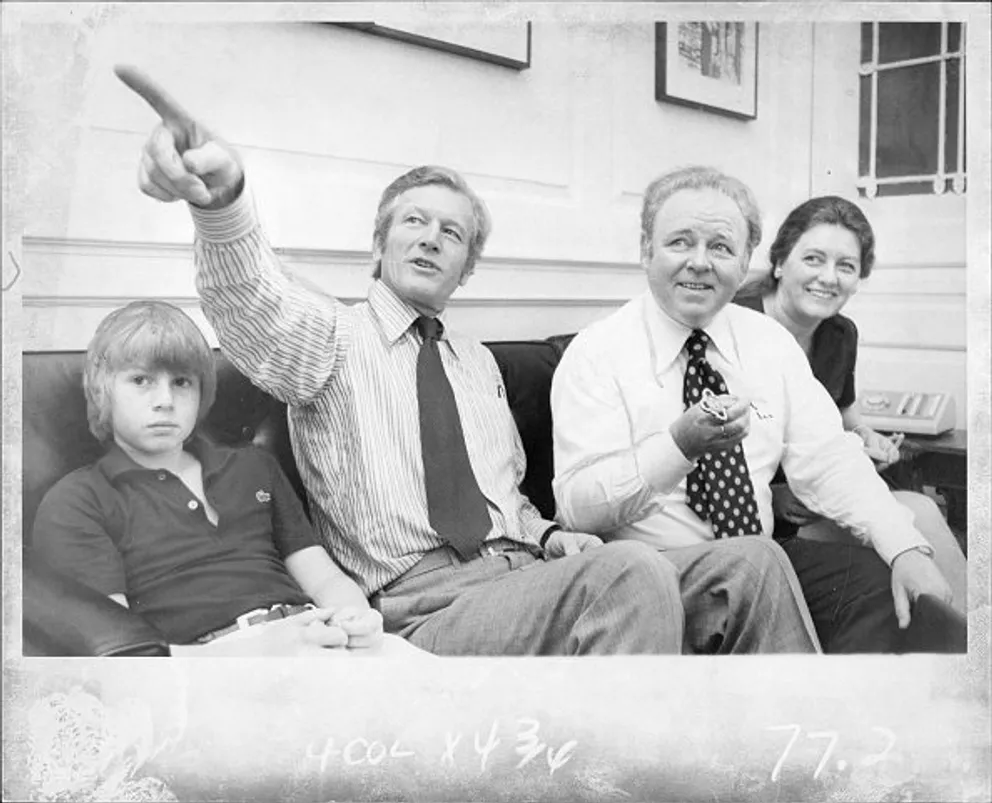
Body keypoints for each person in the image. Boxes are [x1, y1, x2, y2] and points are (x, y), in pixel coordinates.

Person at [113, 65, 821, 656]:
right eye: (413, 222)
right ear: (378, 247)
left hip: (521, 573)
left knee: (753, 561)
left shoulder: (476, 363)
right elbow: (251, 308)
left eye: (452, 233)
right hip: (418, 606)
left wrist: (552, 534)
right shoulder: (330, 336)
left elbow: (507, 499)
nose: (430, 239)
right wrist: (223, 205)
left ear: (466, 269)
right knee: (628, 571)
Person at [551, 165, 954, 654]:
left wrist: (905, 548)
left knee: (885, 588)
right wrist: (677, 447)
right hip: (653, 576)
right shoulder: (597, 353)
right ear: (645, 251)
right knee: (756, 563)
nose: (700, 262)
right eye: (680, 242)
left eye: (721, 247)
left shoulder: (769, 344)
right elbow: (577, 507)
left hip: (766, 558)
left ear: (745, 263)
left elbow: (829, 459)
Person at [30, 299, 400, 657]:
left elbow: (323, 579)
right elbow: (128, 658)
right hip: (209, 670)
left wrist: (357, 618)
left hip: (314, 639)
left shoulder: (253, 467)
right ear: (102, 390)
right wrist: (258, 651)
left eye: (181, 382)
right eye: (141, 380)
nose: (165, 400)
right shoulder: (77, 500)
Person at [733, 195, 967, 612]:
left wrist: (869, 439)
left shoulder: (840, 334)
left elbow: (846, 421)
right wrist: (777, 494)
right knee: (914, 522)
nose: (829, 277)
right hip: (755, 516)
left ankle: (969, 638)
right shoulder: (737, 323)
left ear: (859, 277)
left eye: (846, 266)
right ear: (780, 262)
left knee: (921, 512)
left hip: (821, 495)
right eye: (814, 259)